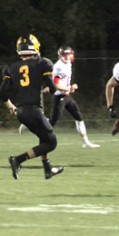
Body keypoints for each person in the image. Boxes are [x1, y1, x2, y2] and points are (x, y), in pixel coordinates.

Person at [0, 34, 64, 180]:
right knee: (51, 142)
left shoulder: (11, 67)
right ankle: (18, 160)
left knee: (44, 137)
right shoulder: (43, 63)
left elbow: (2, 92)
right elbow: (52, 88)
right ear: (35, 47)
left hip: (21, 112)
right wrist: (53, 88)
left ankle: (48, 169)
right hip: (34, 110)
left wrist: (10, 105)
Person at [20, 46, 100, 148]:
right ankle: (29, 124)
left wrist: (64, 89)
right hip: (60, 97)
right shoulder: (59, 66)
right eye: (64, 54)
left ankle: (86, 142)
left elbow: (59, 82)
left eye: (68, 54)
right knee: (51, 122)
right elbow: (56, 84)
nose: (67, 57)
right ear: (60, 55)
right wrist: (69, 88)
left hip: (67, 96)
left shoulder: (68, 64)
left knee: (79, 117)